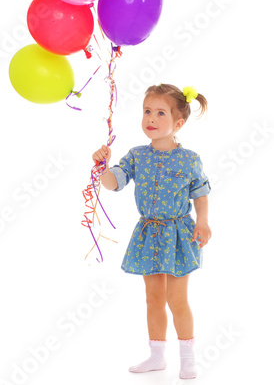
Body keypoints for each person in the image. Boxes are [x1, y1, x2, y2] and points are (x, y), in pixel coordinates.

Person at [92, 83, 212, 379]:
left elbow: (200, 192)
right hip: (148, 233)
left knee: (177, 299)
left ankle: (187, 357)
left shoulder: (189, 159)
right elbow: (113, 183)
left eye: (160, 113)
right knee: (153, 297)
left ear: (178, 123)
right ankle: (157, 356)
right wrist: (102, 166)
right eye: (147, 111)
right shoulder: (136, 155)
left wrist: (203, 221)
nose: (152, 118)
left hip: (179, 235)